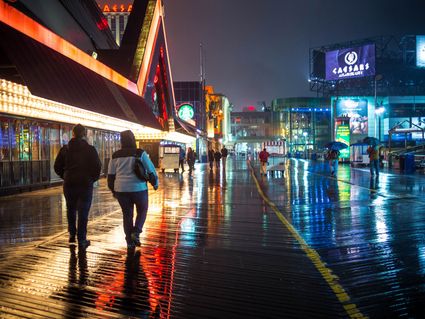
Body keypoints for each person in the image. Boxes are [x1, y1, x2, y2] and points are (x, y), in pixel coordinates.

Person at [107, 130, 158, 249]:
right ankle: (137, 231)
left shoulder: (115, 155)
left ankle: (129, 242)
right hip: (139, 188)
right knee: (142, 210)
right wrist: (155, 184)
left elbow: (110, 176)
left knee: (127, 215)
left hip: (121, 190)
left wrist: (114, 191)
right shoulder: (140, 153)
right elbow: (151, 170)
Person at [54, 124, 101, 249]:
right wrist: (92, 179)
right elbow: (97, 167)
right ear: (84, 134)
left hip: (69, 183)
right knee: (83, 211)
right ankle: (82, 239)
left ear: (73, 134)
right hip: (85, 183)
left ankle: (72, 234)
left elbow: (56, 166)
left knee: (70, 209)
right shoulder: (90, 150)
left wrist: (65, 176)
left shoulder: (65, 149)